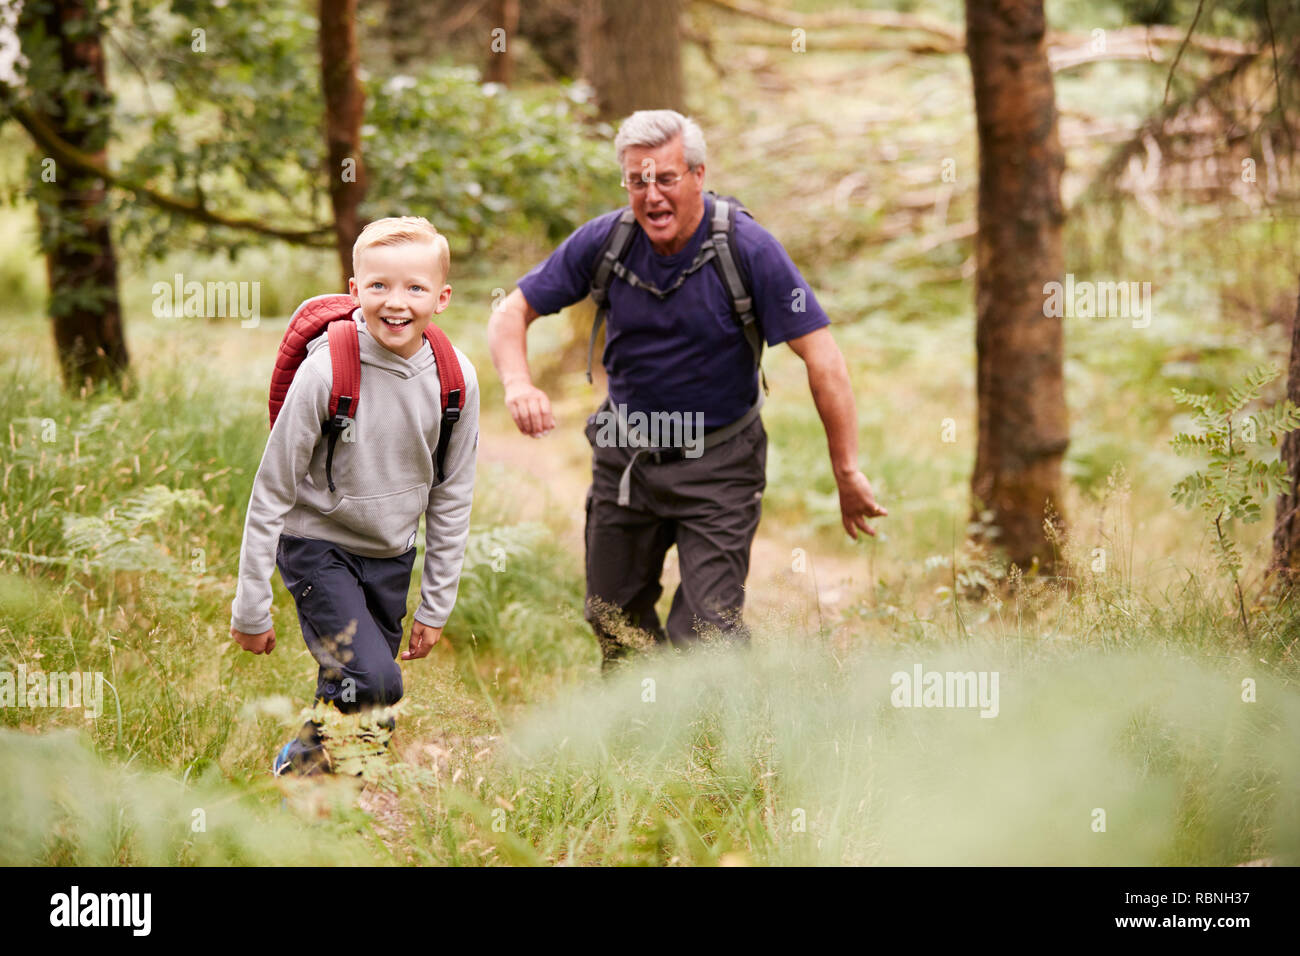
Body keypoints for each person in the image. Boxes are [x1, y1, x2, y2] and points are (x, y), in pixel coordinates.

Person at [487, 110, 885, 670]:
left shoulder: (749, 249)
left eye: (666, 178)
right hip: (627, 460)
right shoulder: (607, 241)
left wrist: (846, 472)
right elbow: (512, 310)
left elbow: (824, 359)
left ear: (698, 175)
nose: (651, 195)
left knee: (707, 633)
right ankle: (638, 743)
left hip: (720, 463)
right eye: (637, 181)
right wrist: (517, 382)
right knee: (613, 620)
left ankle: (708, 749)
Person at [229, 216, 479, 774]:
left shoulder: (454, 377)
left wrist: (436, 604)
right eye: (379, 286)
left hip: (392, 555)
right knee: (376, 681)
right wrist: (251, 605)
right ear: (354, 290)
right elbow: (271, 490)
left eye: (415, 288)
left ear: (441, 297)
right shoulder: (325, 372)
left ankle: (324, 801)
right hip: (318, 546)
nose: (396, 302)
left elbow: (453, 496)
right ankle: (303, 772)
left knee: (350, 691)